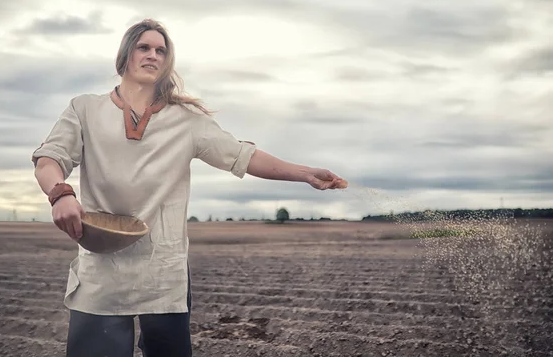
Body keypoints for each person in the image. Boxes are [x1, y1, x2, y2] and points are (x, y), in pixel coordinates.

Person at [31, 18, 347, 357]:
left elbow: (243, 156)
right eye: (144, 47)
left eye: (161, 51)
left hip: (163, 272)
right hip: (101, 267)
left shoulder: (186, 120)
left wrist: (304, 173)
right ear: (125, 55)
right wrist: (60, 193)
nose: (152, 55)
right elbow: (50, 157)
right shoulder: (85, 109)